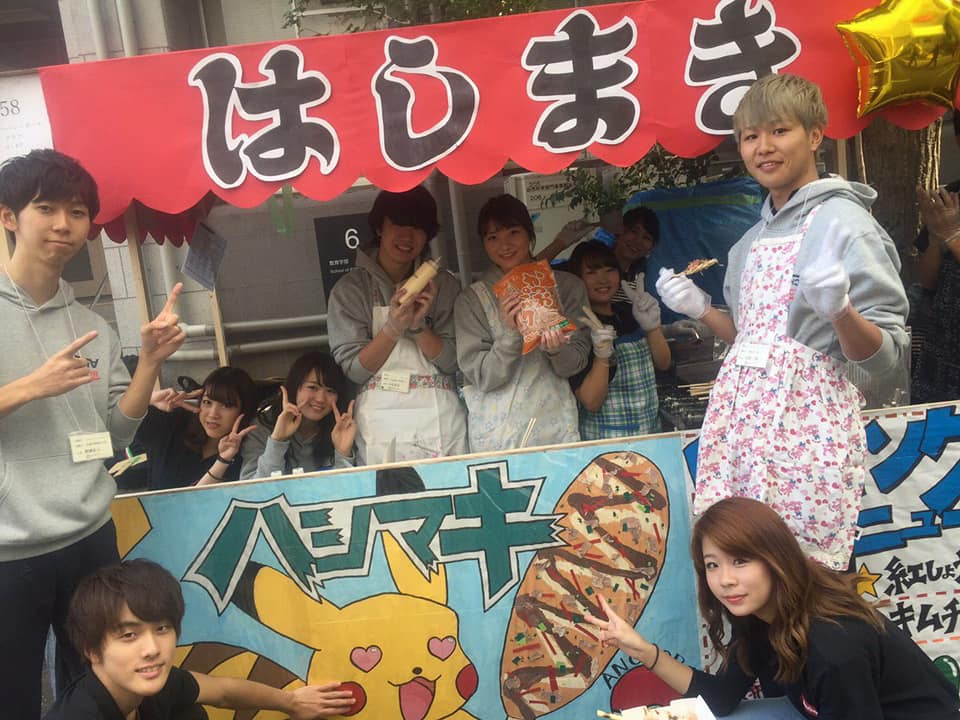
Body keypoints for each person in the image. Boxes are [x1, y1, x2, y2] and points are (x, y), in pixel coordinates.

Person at [655, 73, 909, 570]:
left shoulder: (845, 222)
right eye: (751, 136)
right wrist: (703, 310)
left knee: (802, 572)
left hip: (807, 430)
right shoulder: (748, 242)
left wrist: (841, 312)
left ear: (815, 135)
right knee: (743, 564)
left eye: (779, 131)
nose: (763, 147)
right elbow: (754, 341)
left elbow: (887, 357)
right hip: (741, 429)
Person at [0, 149, 185, 719]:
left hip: (90, 538)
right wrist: (28, 387)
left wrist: (148, 362)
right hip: (9, 548)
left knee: (100, 696)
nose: (63, 225)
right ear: (8, 217)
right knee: (11, 695)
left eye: (77, 212)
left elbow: (115, 430)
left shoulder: (93, 326)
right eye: (46, 208)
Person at [586, 497, 960, 719]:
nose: (725, 579)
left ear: (775, 558)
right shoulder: (761, 617)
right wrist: (641, 649)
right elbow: (721, 698)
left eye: (740, 561)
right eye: (712, 564)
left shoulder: (833, 644)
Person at [45, 558, 356, 719]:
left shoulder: (152, 683)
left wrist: (292, 702)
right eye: (129, 635)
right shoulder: (82, 713)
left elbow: (225, 692)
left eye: (162, 629)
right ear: (91, 650)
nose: (152, 649)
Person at [327, 186, 468, 465]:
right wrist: (392, 328)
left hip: (439, 422)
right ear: (380, 227)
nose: (407, 236)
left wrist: (418, 326)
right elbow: (355, 370)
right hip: (380, 426)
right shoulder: (350, 290)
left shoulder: (443, 285)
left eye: (418, 227)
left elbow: (453, 361)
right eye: (398, 224)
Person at [454, 194, 591, 451]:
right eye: (492, 237)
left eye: (513, 232)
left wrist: (557, 350)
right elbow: (481, 376)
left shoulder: (567, 286)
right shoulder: (471, 299)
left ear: (530, 233)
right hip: (497, 436)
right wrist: (509, 335)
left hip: (555, 429)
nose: (504, 245)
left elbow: (576, 364)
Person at [567, 240, 671, 439]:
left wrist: (653, 328)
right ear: (577, 279)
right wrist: (601, 356)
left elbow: (663, 363)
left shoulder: (630, 313)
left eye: (610, 270)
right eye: (591, 272)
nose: (603, 279)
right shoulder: (577, 329)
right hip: (606, 441)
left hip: (650, 433)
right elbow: (591, 402)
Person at [135, 367, 258, 490]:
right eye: (207, 402)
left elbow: (195, 499)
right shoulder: (173, 422)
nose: (213, 414)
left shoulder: (247, 455)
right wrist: (150, 399)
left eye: (226, 405)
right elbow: (124, 421)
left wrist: (223, 461)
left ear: (244, 410)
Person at [240, 351, 356, 480]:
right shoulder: (262, 425)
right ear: (294, 387)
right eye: (312, 387)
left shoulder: (342, 428)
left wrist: (343, 453)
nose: (320, 399)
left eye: (330, 391)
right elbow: (250, 488)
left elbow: (346, 487)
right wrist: (277, 440)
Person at [912, 120, 960, 404]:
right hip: (942, 347)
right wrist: (935, 237)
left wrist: (953, 236)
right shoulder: (951, 197)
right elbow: (927, 281)